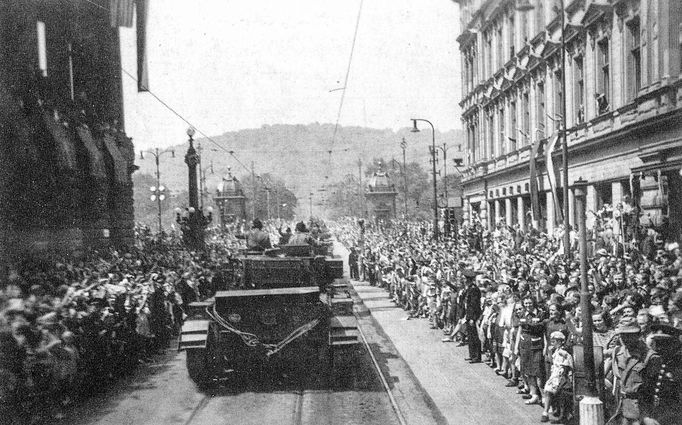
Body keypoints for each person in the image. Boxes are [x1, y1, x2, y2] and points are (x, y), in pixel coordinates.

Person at [609, 316, 662, 425]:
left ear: (638, 335)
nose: (625, 339)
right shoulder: (618, 352)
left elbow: (654, 388)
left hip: (641, 409)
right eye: (622, 335)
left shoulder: (650, 357)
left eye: (630, 335)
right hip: (620, 407)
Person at [541, 331, 573, 423]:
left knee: (551, 390)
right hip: (555, 373)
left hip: (561, 374)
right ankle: (547, 412)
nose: (552, 343)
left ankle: (560, 414)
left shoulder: (563, 351)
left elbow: (569, 363)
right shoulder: (556, 350)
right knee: (548, 390)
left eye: (554, 341)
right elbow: (552, 361)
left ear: (560, 341)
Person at [463, 269, 482, 363]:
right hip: (469, 315)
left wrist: (472, 318)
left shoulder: (473, 289)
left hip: (472, 316)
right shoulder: (470, 288)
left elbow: (474, 305)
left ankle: (476, 356)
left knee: (474, 336)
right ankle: (472, 354)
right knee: (470, 336)